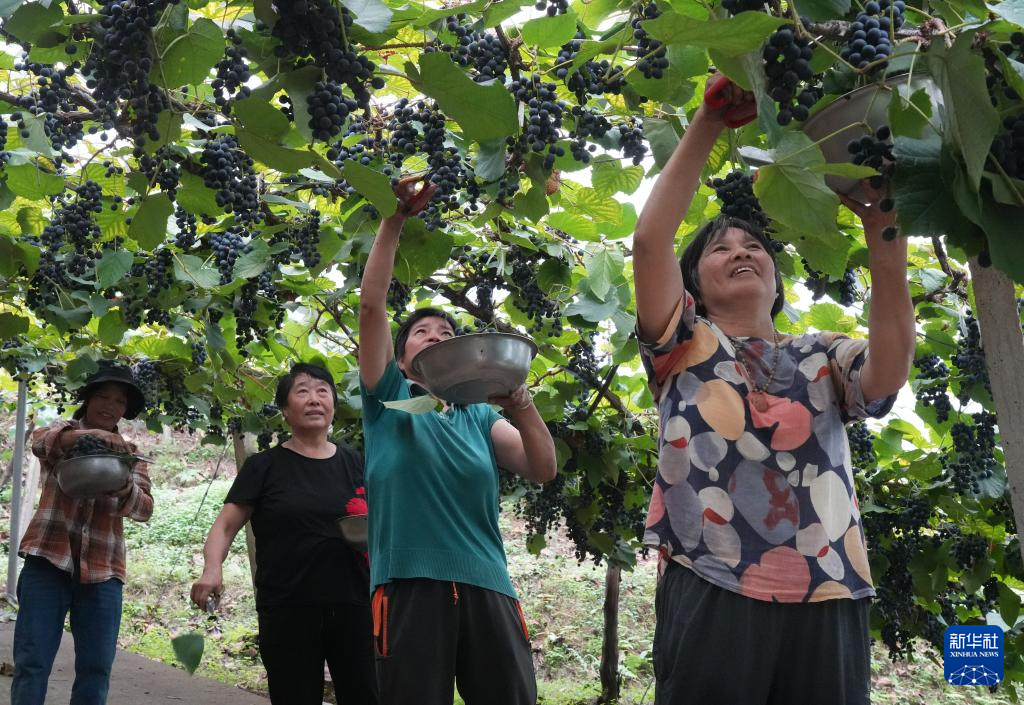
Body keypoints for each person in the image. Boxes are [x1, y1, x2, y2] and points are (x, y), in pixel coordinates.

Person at [631, 76, 914, 705]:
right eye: (719, 248)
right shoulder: (683, 343)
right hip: (711, 575)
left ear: (776, 277)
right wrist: (708, 123)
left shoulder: (821, 351)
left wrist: (883, 237)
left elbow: (888, 372)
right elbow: (650, 242)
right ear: (693, 288)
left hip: (830, 582)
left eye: (753, 244)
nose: (740, 250)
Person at [358, 177, 558, 705]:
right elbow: (372, 308)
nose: (438, 337)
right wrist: (394, 220)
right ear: (402, 359)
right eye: (424, 332)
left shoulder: (477, 417)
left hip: (487, 583)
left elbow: (542, 468)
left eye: (447, 334)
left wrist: (521, 403)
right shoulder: (390, 400)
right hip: (407, 582)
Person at [190, 362, 376, 705]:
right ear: (285, 410)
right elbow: (226, 524)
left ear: (334, 404)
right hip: (287, 607)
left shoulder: (357, 463)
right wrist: (211, 569)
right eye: (302, 391)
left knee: (366, 696)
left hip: (354, 604)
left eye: (323, 391)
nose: (314, 399)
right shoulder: (264, 467)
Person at [11, 361, 154, 705]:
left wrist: (124, 489)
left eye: (119, 402)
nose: (110, 406)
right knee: (32, 662)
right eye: (103, 396)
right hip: (48, 560)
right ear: (88, 399)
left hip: (104, 571)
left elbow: (145, 508)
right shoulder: (63, 434)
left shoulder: (130, 455)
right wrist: (90, 437)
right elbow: (40, 443)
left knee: (96, 669)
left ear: (125, 410)